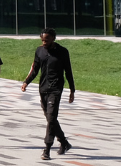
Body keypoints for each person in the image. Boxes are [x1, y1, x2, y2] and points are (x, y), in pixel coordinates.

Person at [21, 28, 75, 161]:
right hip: (43, 88)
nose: (44, 42)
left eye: (47, 40)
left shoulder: (62, 52)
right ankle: (64, 142)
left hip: (56, 89)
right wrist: (26, 82)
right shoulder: (39, 51)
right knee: (50, 118)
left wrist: (72, 90)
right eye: (42, 40)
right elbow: (35, 69)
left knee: (51, 118)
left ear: (53, 38)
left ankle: (47, 149)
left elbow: (68, 71)